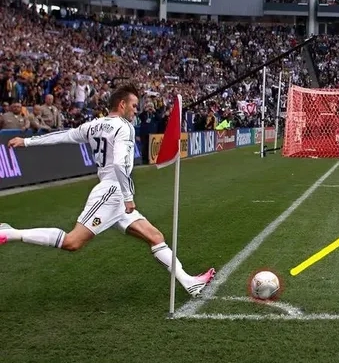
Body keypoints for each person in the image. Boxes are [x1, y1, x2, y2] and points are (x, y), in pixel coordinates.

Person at [0, 84, 215, 297]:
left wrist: (26, 141)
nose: (136, 110)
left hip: (112, 191)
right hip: (112, 192)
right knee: (72, 241)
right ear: (122, 105)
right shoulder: (124, 127)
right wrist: (128, 197)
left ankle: (189, 282)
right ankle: (10, 233)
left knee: (155, 236)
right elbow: (120, 164)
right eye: (133, 105)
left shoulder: (94, 125)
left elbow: (64, 135)